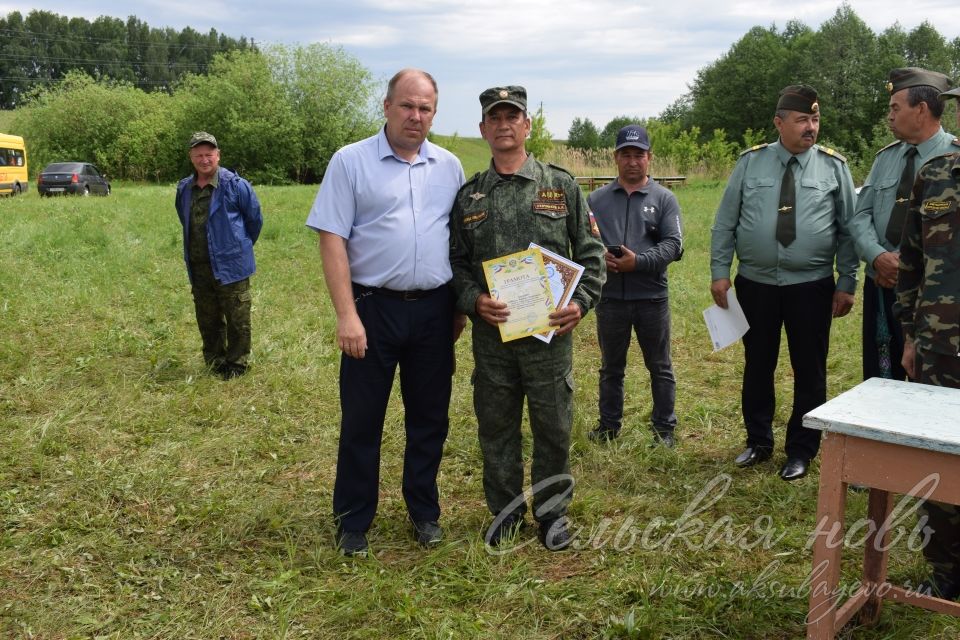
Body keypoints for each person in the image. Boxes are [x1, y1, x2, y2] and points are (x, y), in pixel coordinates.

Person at [306, 69, 465, 556]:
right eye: (407, 106)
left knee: (429, 419)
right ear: (386, 106)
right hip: (372, 310)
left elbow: (460, 241)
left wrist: (459, 307)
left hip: (435, 311)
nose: (416, 117)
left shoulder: (449, 166)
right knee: (362, 420)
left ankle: (423, 511)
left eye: (426, 109)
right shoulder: (350, 162)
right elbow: (332, 238)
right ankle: (353, 520)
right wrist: (346, 315)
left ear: (434, 113)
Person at [449, 86, 605, 550]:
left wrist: (582, 303)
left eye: (512, 116)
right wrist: (474, 299)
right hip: (492, 339)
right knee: (495, 426)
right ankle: (505, 513)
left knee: (553, 426)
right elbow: (454, 264)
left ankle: (552, 513)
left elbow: (592, 253)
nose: (503, 124)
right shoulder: (470, 196)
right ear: (483, 129)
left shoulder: (562, 186)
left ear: (527, 125)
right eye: (494, 117)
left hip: (549, 339)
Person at [710, 85, 858, 481]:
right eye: (802, 120)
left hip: (811, 286)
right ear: (779, 123)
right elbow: (726, 221)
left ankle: (802, 449)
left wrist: (847, 280)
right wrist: (720, 272)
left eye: (815, 120)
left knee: (809, 369)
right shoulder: (750, 163)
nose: (810, 128)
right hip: (756, 284)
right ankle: (758, 441)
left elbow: (849, 229)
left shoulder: (834, 167)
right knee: (758, 364)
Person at [893, 85, 960, 600]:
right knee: (938, 463)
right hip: (940, 349)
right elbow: (910, 263)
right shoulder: (935, 176)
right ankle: (945, 574)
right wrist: (911, 335)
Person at [850, 68, 955, 382]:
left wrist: (906, 266)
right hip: (881, 287)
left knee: (930, 388)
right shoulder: (886, 158)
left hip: (934, 300)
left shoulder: (954, 157)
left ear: (921, 110)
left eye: (896, 108)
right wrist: (878, 257)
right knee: (880, 377)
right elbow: (860, 216)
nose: (889, 116)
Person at [587, 124, 683, 446]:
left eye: (638, 155)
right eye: (625, 154)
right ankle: (609, 426)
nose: (632, 161)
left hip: (652, 298)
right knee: (611, 368)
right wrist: (600, 256)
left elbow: (674, 245)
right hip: (610, 298)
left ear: (649, 158)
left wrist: (638, 261)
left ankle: (664, 429)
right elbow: (584, 242)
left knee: (660, 366)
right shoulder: (596, 199)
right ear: (615, 158)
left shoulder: (664, 198)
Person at [175, 131, 262, 380]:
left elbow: (254, 221)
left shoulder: (236, 185)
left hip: (231, 264)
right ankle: (214, 361)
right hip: (199, 266)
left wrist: (238, 247)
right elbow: (185, 219)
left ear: (218, 155)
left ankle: (237, 364)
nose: (205, 160)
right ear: (191, 158)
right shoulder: (184, 188)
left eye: (209, 154)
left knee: (238, 318)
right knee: (207, 317)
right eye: (199, 155)